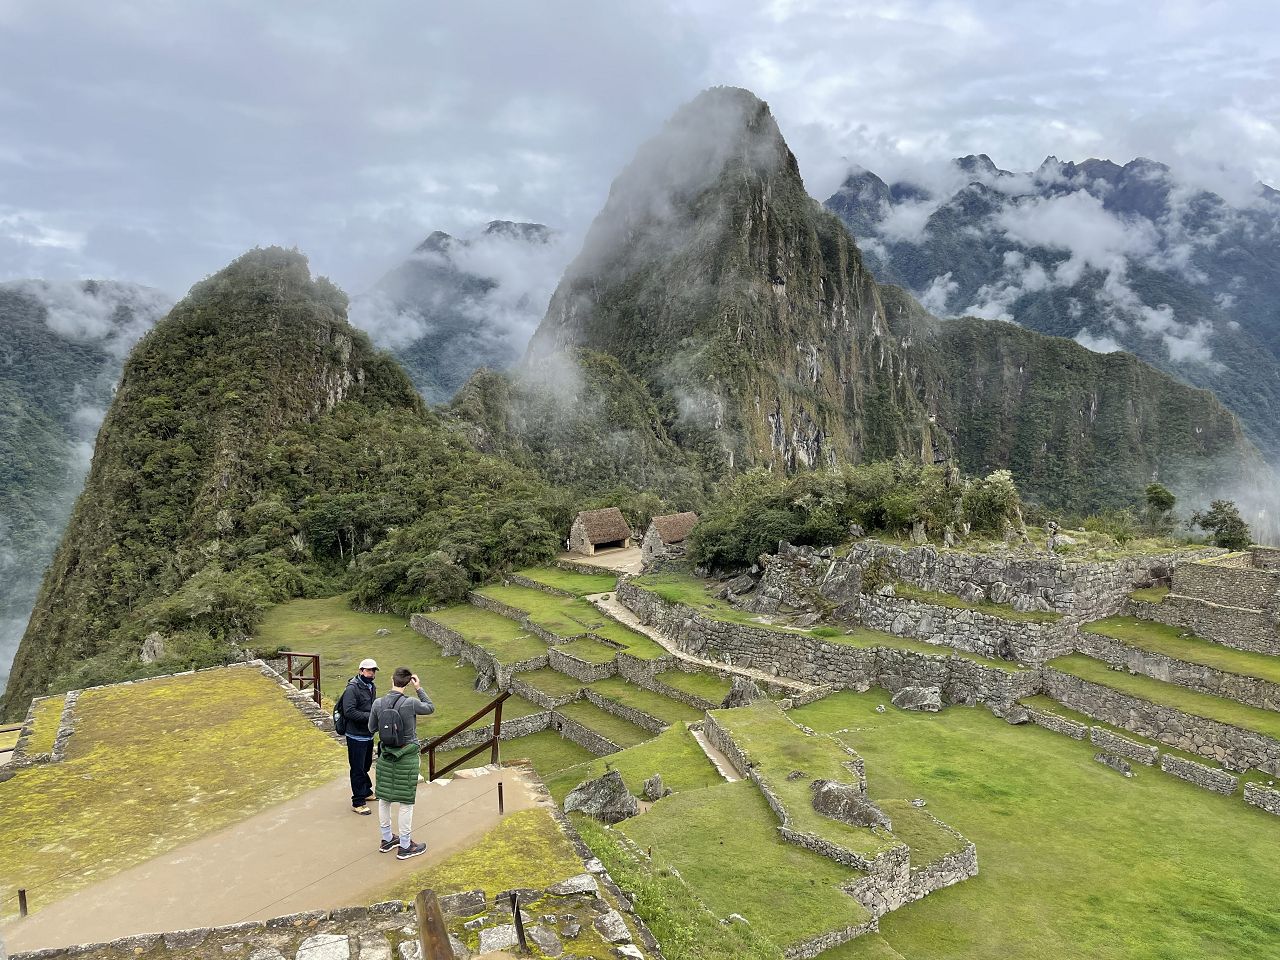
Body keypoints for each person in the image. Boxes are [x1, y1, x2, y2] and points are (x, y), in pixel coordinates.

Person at [369, 666, 435, 859]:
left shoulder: (378, 703)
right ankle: (405, 846)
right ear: (408, 683)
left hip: (386, 755)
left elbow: (371, 728)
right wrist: (419, 688)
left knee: (384, 798)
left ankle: (387, 838)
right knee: (406, 802)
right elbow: (430, 707)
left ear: (392, 679)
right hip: (407, 755)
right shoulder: (410, 703)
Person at [339, 658, 379, 815]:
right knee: (357, 768)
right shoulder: (352, 689)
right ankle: (358, 802)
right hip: (356, 735)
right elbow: (349, 711)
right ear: (361, 671)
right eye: (369, 670)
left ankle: (367, 791)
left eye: (373, 671)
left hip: (367, 734)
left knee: (366, 765)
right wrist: (371, 716)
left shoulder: (371, 686)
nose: (371, 673)